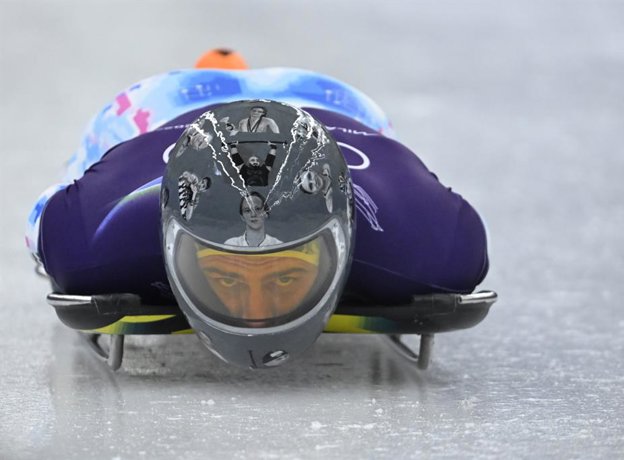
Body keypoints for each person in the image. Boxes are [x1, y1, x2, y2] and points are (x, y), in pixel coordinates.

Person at [28, 49, 490, 368]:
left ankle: (221, 64)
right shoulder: (95, 235)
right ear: (169, 240)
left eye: (284, 275)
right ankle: (223, 65)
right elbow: (47, 218)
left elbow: (42, 220)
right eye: (226, 276)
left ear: (344, 237)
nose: (253, 313)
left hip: (186, 102)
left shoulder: (88, 244)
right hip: (180, 106)